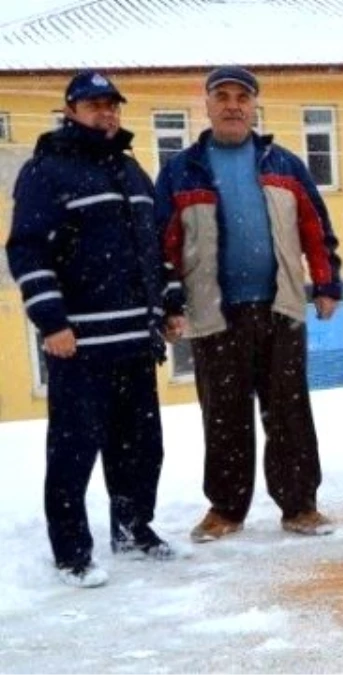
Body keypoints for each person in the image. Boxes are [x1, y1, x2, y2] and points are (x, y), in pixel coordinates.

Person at [155, 66, 343, 542]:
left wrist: (325, 284)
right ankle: (225, 509)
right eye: (223, 96)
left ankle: (300, 505)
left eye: (243, 96)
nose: (233, 105)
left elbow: (315, 230)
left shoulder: (284, 164)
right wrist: (168, 301)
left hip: (279, 306)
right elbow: (163, 244)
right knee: (223, 414)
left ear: (255, 106)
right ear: (208, 105)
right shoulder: (182, 170)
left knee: (289, 412)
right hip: (213, 312)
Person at [6, 71, 175, 588]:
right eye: (95, 104)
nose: (107, 113)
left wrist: (169, 304)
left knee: (141, 446)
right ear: (71, 110)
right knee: (74, 450)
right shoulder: (47, 172)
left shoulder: (130, 170)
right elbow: (27, 249)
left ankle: (132, 527)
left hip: (133, 340)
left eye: (112, 105)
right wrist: (51, 321)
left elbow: (153, 247)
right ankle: (71, 552)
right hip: (79, 343)